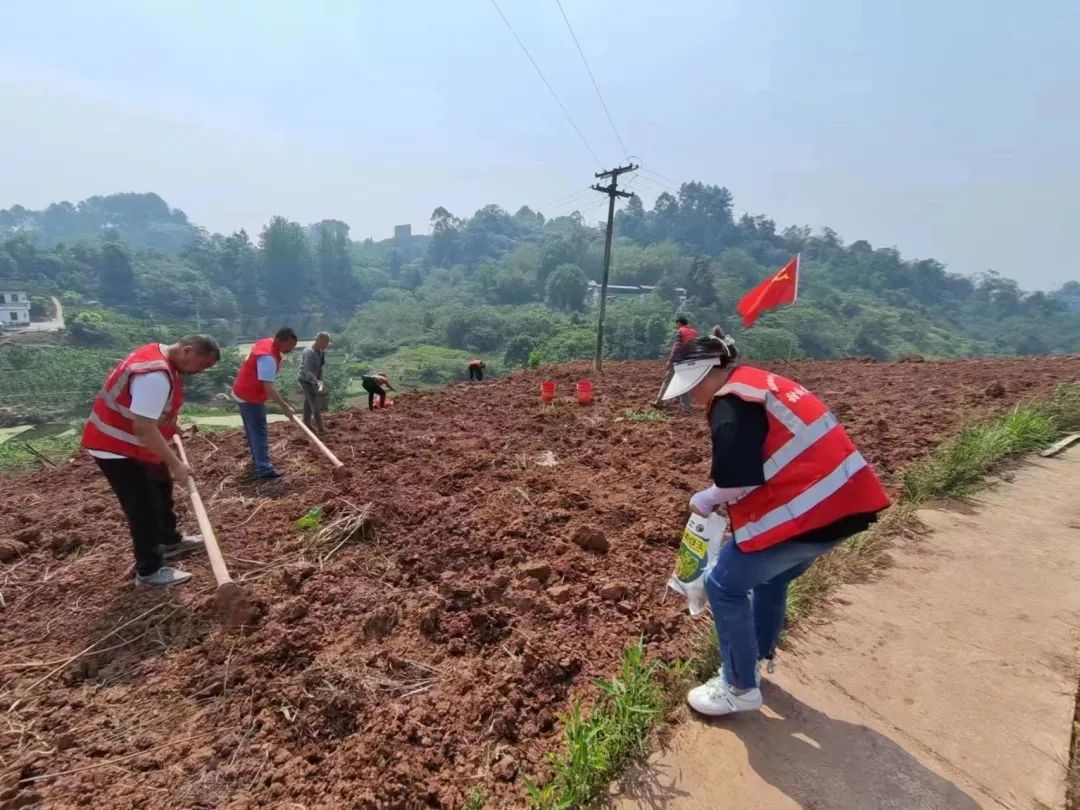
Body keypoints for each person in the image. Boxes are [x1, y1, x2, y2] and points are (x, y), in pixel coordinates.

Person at [660, 327, 891, 716]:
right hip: (842, 504)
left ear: (704, 373)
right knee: (770, 577)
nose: (689, 397)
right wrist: (721, 493)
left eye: (688, 388)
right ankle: (758, 656)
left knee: (723, 585)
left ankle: (738, 686)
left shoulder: (729, 403)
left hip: (812, 511)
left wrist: (708, 497)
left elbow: (739, 477)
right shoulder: (758, 383)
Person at [81, 335, 221, 587]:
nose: (200, 372)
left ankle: (169, 540)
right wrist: (177, 464)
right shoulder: (155, 376)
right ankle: (149, 570)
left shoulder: (159, 356)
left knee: (161, 488)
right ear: (188, 351)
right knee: (142, 507)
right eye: (202, 365)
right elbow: (144, 427)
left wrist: (174, 427)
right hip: (117, 448)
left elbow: (154, 412)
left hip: (135, 445)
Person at [232, 327, 298, 479]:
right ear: (280, 340)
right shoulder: (268, 358)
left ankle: (257, 460)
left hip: (241, 390)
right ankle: (264, 469)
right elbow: (267, 386)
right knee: (259, 431)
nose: (291, 350)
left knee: (252, 429)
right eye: (290, 346)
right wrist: (284, 406)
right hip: (250, 396)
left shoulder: (265, 342)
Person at [653, 316, 699, 413]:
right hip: (689, 362)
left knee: (668, 381)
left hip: (678, 361)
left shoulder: (680, 332)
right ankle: (687, 408)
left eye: (676, 324)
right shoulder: (694, 333)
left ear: (679, 323)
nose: (676, 326)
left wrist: (670, 361)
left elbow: (676, 348)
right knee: (684, 384)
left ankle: (659, 402)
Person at [298, 331, 330, 434]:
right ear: (319, 340)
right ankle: (321, 429)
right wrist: (316, 382)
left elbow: (320, 367)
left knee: (309, 401)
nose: (326, 345)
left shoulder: (321, 351)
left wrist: (321, 381)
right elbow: (308, 371)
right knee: (314, 402)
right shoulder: (309, 352)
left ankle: (306, 423)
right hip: (305, 380)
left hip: (314, 379)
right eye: (325, 342)